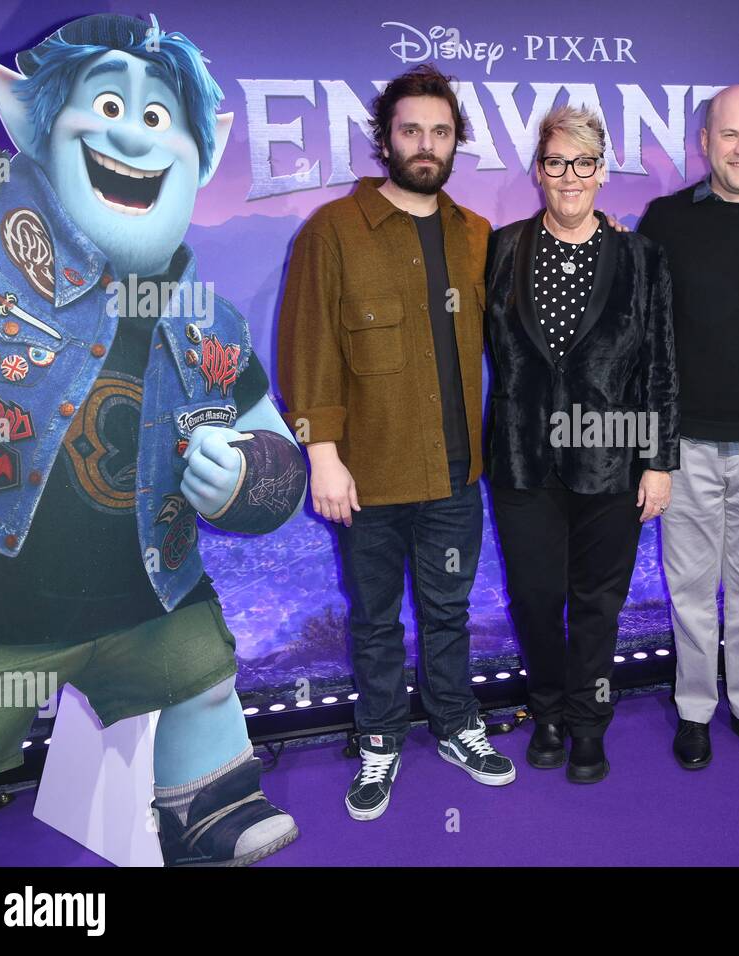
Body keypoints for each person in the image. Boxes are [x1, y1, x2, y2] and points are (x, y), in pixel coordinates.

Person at [0, 12, 305, 865]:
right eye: (106, 105)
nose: (131, 135)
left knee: (201, 676)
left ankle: (206, 803)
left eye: (157, 120)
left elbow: (279, 459)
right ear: (28, 120)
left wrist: (251, 478)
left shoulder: (207, 316)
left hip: (150, 610)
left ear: (203, 150)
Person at [277, 64, 515, 823]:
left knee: (447, 612)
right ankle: (378, 736)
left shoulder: (475, 234)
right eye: (411, 129)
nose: (426, 144)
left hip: (455, 475)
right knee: (375, 619)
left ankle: (454, 725)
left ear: (456, 142)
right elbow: (306, 348)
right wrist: (322, 455)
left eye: (441, 131)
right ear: (385, 138)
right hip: (367, 479)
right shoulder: (331, 233)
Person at [484, 104, 679, 784]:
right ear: (539, 171)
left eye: (584, 163)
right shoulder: (500, 249)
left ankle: (590, 723)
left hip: (612, 460)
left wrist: (658, 462)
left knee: (598, 604)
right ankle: (547, 714)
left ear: (602, 172)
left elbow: (659, 364)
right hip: (522, 460)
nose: (571, 176)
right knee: (535, 599)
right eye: (557, 162)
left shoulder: (640, 256)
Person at [637, 86, 739, 770]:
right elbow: (642, 336)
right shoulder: (665, 220)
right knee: (689, 587)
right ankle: (695, 710)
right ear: (704, 142)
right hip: (687, 444)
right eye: (729, 136)